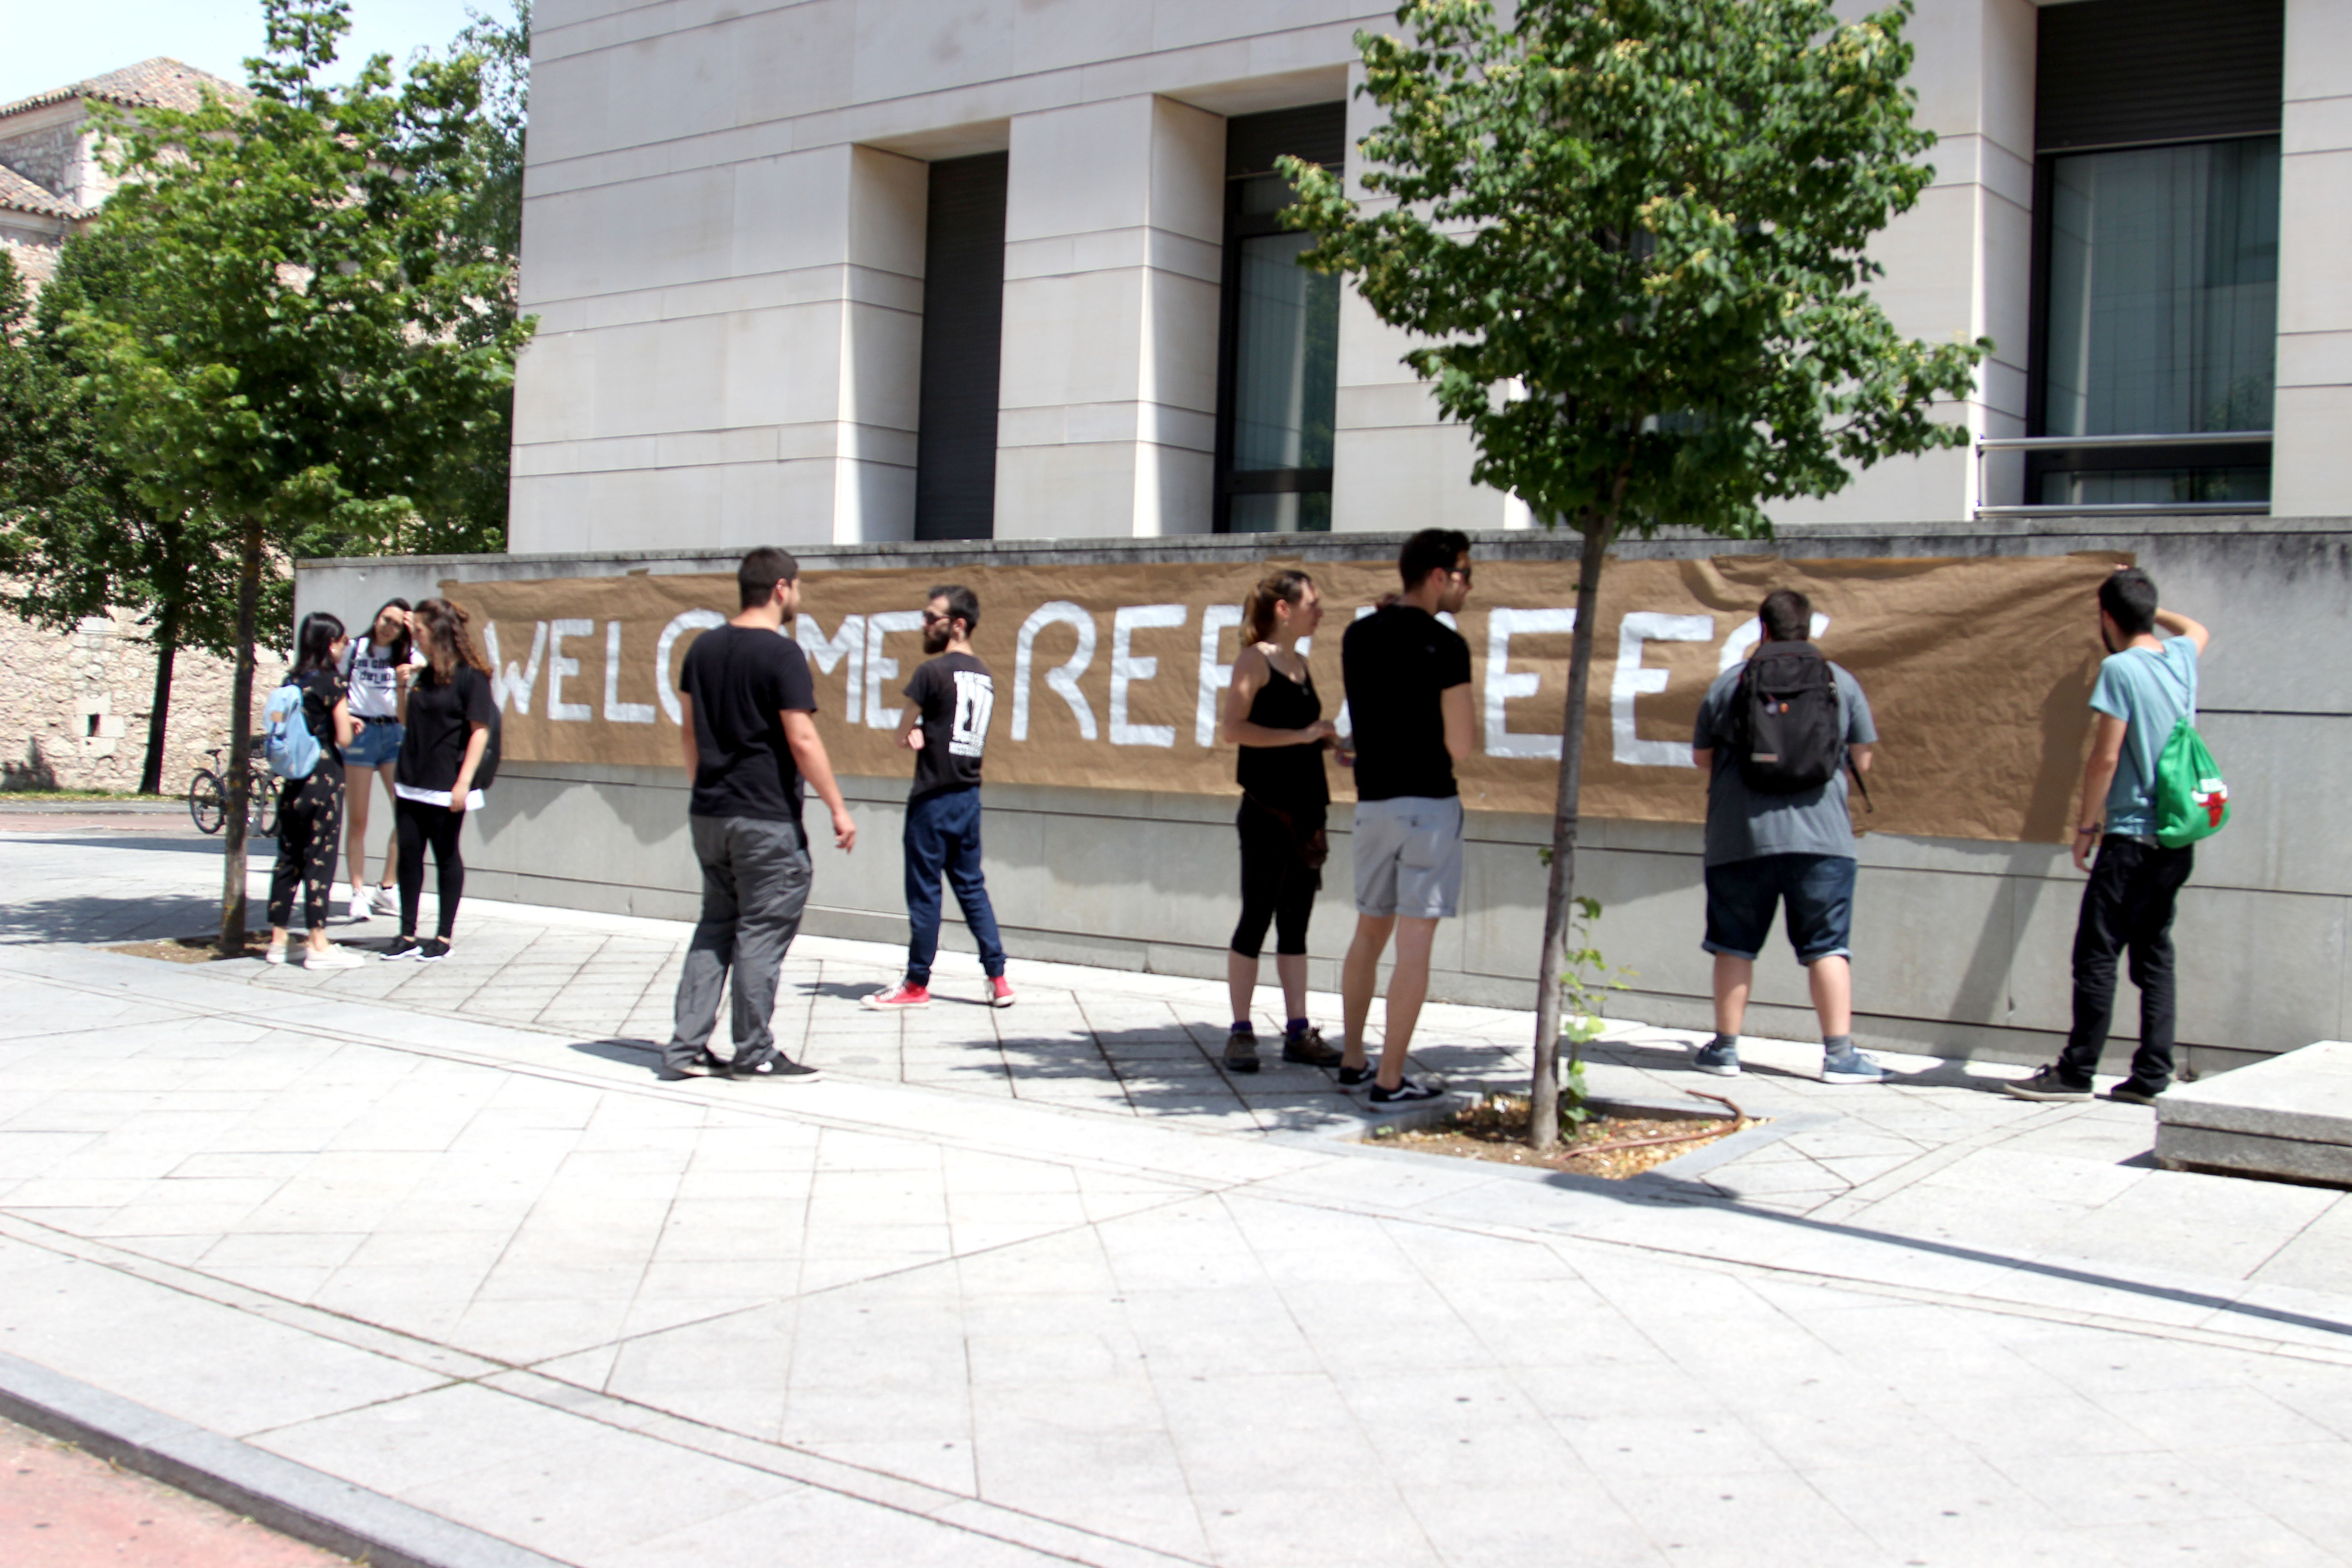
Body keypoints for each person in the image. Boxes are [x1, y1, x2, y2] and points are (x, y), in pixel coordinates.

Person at [2007, 568, 2210, 1104]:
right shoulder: (2181, 659)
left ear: (2106, 619)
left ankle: (2076, 1073)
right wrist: (2150, 605)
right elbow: (2196, 628)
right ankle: (2151, 1075)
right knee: (2154, 955)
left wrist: (2086, 827)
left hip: (2129, 837)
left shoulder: (2120, 669)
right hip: (2176, 837)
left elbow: (2106, 757)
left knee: (2096, 954)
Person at [661, 547, 858, 1082]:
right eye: (797, 586)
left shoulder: (700, 648)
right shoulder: (781, 654)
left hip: (710, 811)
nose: (798, 595)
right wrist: (838, 808)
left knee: (715, 927)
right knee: (761, 933)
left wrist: (703, 785)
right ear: (780, 589)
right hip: (764, 818)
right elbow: (801, 736)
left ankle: (686, 1048)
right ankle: (755, 1051)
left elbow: (687, 729)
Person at [1689, 588, 1886, 1084]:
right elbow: (1863, 758)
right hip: (1824, 840)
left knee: (1734, 943)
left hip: (1741, 837)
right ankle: (1839, 1055)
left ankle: (1726, 1050)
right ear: (1810, 628)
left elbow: (1702, 758)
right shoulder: (1840, 683)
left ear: (1764, 630)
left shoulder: (1730, 684)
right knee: (1827, 946)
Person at [1338, 529, 1475, 1108]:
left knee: (1369, 931)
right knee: (1414, 942)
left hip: (1372, 805)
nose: (1470, 586)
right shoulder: (1447, 647)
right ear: (1439, 576)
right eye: (1466, 574)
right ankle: (1390, 1079)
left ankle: (1352, 1059)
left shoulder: (1357, 635)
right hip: (1429, 804)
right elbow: (1462, 744)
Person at [1218, 568, 1345, 1074]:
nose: (1320, 610)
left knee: (1297, 926)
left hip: (1308, 811)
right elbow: (1234, 729)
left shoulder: (1301, 664)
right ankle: (1241, 1031)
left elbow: (1301, 729)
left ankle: (1298, 1030)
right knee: (1256, 919)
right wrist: (1300, 735)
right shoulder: (1255, 659)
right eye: (1312, 602)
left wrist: (1329, 741)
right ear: (1284, 609)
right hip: (1267, 810)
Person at [864, 584, 1015, 1011]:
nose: (925, 624)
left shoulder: (930, 673)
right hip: (969, 797)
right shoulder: (984, 675)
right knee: (972, 889)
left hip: (932, 798)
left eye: (933, 617)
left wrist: (911, 732)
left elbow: (901, 733)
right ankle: (998, 977)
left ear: (958, 624)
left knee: (926, 892)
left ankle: (917, 983)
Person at [386, 598, 496, 963]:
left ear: (436, 632)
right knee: (409, 856)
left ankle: (444, 936)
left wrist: (463, 783)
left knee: (446, 855)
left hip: (445, 783)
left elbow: (480, 731)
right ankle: (406, 932)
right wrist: (402, 687)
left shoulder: (470, 677)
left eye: (417, 630)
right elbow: (405, 721)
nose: (413, 636)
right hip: (411, 778)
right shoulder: (424, 674)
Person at [265, 612, 363, 969]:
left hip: (292, 780)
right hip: (323, 778)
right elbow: (343, 738)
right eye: (341, 639)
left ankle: (278, 939)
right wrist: (353, 727)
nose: (345, 645)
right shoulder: (331, 682)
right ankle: (317, 942)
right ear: (328, 643)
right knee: (320, 857)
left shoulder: (291, 681)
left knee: (289, 858)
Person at [340, 598, 422, 921]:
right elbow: (334, 683)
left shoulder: (407, 654)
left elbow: (435, 662)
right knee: (358, 819)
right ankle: (357, 892)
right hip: (361, 731)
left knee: (406, 812)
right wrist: (343, 717)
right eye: (385, 619)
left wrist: (414, 633)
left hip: (393, 733)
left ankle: (386, 888)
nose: (388, 627)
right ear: (376, 618)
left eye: (397, 623)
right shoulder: (355, 649)